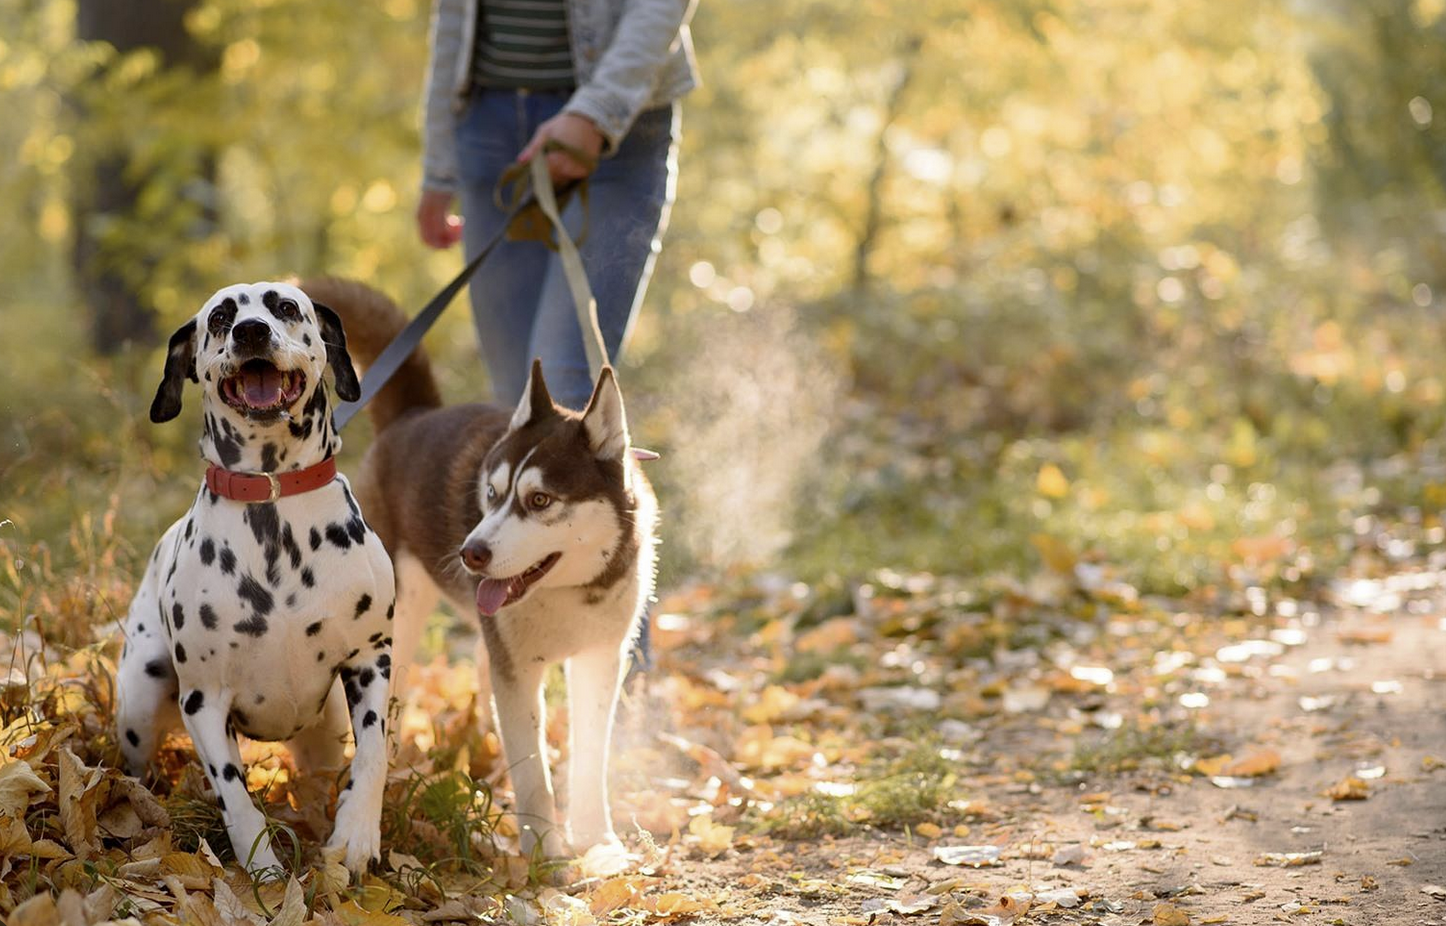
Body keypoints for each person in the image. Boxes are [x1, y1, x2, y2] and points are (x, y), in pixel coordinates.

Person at [416, 0, 699, 414]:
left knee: (562, 392)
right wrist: (439, 168)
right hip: (487, 130)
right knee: (518, 402)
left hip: (623, 126)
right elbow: (454, 14)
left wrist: (596, 112)